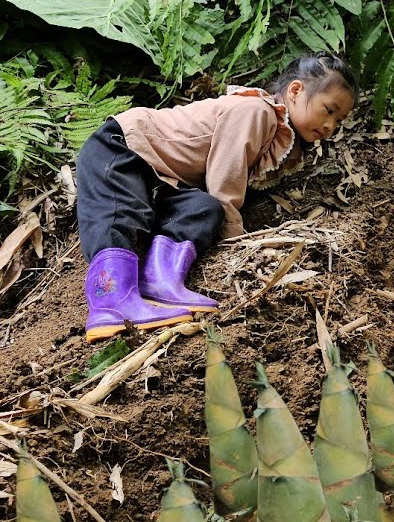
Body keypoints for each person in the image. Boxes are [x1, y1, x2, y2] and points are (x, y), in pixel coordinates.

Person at [75, 53, 357, 342]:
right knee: (121, 213)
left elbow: (216, 197)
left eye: (339, 120)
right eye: (329, 110)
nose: (331, 126)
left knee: (204, 207)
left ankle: (160, 281)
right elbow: (225, 179)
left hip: (159, 178)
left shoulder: (278, 134)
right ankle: (110, 304)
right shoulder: (256, 111)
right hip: (122, 147)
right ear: (296, 91)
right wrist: (237, 243)